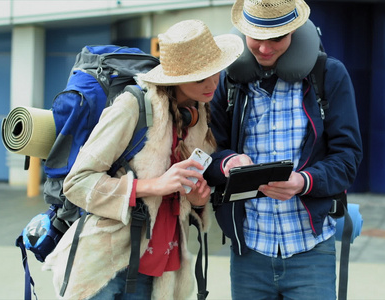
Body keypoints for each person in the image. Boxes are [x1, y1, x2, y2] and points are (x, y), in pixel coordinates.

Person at [42, 19, 243, 299]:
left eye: (216, 73)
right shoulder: (133, 106)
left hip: (161, 264)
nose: (212, 84)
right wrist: (154, 185)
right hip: (108, 266)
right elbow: (77, 183)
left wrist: (197, 198)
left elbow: (184, 196)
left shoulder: (198, 117)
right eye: (200, 77)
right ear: (176, 76)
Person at [204, 0, 363, 299]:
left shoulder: (330, 75)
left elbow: (348, 158)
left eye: (276, 38)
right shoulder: (227, 81)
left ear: (293, 30)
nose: (265, 49)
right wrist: (227, 162)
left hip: (310, 250)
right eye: (256, 38)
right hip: (249, 250)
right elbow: (210, 153)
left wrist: (304, 182)